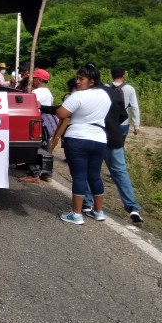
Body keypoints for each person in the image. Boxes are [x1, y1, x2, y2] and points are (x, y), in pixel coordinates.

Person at [83, 69, 144, 224]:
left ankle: (88, 202)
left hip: (96, 137)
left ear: (90, 80)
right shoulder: (113, 92)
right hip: (114, 137)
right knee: (120, 171)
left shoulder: (88, 95)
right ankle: (132, 207)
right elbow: (124, 114)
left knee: (91, 170)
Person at [55, 63, 111, 225]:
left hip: (77, 138)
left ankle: (77, 214)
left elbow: (61, 113)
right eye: (77, 78)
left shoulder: (79, 96)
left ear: (91, 81)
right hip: (99, 138)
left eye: (81, 79)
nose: (77, 82)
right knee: (94, 175)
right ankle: (98, 211)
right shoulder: (105, 95)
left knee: (79, 176)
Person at [19, 68, 56, 183]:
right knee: (44, 148)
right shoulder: (48, 92)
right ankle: (44, 173)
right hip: (45, 123)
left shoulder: (37, 92)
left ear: (39, 79)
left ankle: (35, 173)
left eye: (34, 78)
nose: (33, 81)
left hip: (37, 122)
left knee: (33, 147)